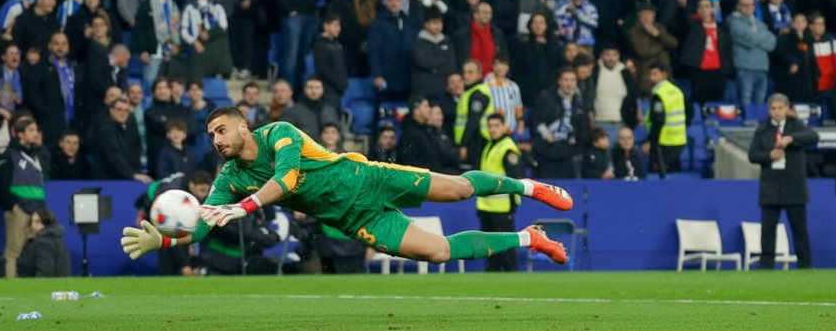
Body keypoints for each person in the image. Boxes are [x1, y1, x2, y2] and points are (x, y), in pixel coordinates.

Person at [122, 110, 573, 269]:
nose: (216, 140)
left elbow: (289, 179)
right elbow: (201, 228)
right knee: (438, 252)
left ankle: (530, 185)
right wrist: (162, 238)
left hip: (368, 180)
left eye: (222, 130)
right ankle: (529, 238)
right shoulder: (227, 179)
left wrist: (243, 208)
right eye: (211, 135)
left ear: (243, 126)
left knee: (457, 189)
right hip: (354, 219)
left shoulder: (279, 132)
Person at [748, 93, 819, 269]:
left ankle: (805, 266)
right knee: (768, 230)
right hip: (771, 186)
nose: (777, 112)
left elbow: (813, 136)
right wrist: (768, 156)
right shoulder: (763, 129)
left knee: (799, 229)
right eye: (773, 109)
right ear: (769, 110)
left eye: (781, 108)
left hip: (794, 186)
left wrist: (792, 139)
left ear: (787, 109)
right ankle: (766, 267)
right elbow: (752, 155)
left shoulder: (796, 126)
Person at [0, 116, 45, 278]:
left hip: (36, 212)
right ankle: (11, 287)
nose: (35, 134)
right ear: (20, 134)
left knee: (33, 252)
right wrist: (13, 207)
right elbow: (1, 186)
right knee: (14, 251)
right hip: (19, 211)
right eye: (31, 130)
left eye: (36, 130)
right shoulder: (9, 155)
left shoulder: (36, 156)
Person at [475, 113, 522, 272]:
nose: (493, 129)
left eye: (496, 126)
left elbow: (515, 176)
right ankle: (491, 277)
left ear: (504, 127)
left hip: (503, 206)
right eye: (490, 126)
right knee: (489, 248)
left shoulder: (507, 147)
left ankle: (511, 276)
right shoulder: (489, 146)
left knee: (505, 246)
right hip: (486, 205)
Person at [530, 67, 589, 179]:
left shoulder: (579, 104)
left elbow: (583, 130)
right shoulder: (546, 99)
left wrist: (576, 149)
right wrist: (546, 138)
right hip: (546, 154)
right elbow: (536, 121)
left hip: (568, 156)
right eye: (566, 80)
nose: (569, 84)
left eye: (572, 80)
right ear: (559, 81)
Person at [729, 0, 778, 105]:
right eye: (744, 5)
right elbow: (751, 39)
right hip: (745, 69)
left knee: (760, 104)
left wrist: (757, 36)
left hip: (762, 68)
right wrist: (762, 36)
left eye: (751, 4)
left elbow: (772, 43)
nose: (748, 7)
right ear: (738, 6)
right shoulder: (735, 23)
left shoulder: (760, 23)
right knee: (746, 103)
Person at [643, 63, 690, 178]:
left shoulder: (659, 94)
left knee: (659, 175)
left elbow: (658, 120)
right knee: (674, 175)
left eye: (655, 74)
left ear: (664, 74)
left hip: (663, 141)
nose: (651, 77)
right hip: (679, 140)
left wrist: (651, 141)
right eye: (650, 74)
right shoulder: (677, 90)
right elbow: (689, 111)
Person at [92, 96, 151, 183]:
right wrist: (132, 174)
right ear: (111, 111)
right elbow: (114, 156)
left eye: (126, 110)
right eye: (119, 109)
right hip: (108, 180)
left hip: (123, 177)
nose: (123, 113)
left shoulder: (127, 129)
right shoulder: (106, 129)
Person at [16, 208, 72, 277]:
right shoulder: (58, 240)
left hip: (41, 287)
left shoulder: (42, 243)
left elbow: (45, 273)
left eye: (37, 222)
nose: (33, 225)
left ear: (47, 222)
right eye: (32, 222)